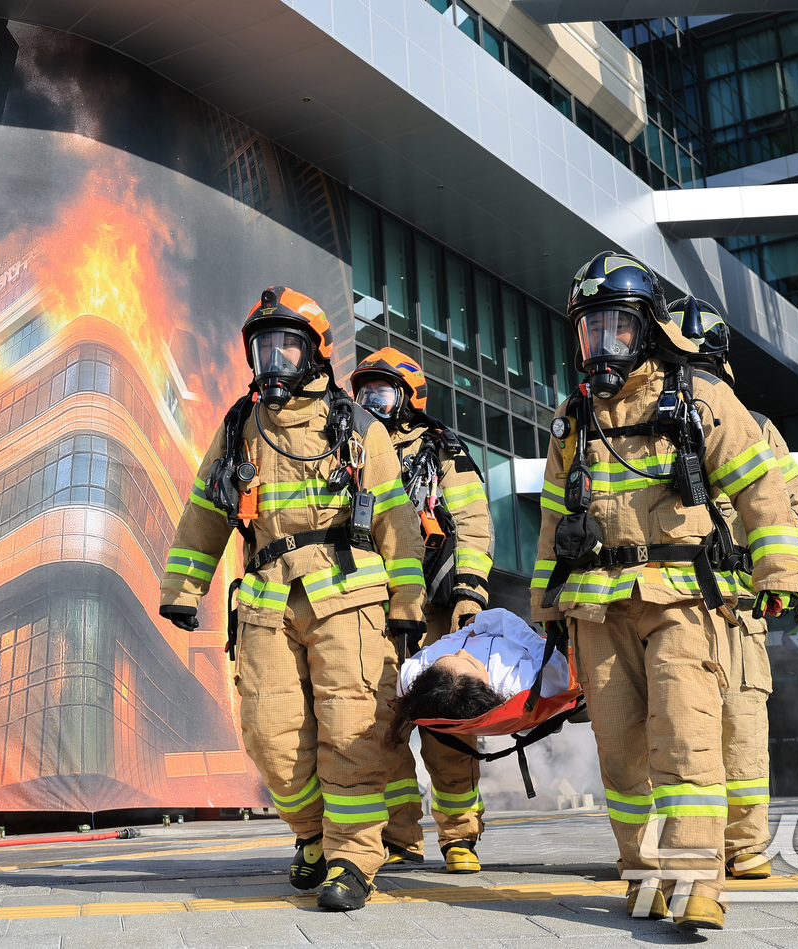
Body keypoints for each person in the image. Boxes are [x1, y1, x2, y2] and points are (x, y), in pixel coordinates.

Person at [530, 252, 798, 932]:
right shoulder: (574, 418)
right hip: (599, 606)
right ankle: (642, 875)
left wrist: (783, 574)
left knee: (685, 738)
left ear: (648, 328)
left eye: (616, 329)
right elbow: (551, 521)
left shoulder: (702, 397)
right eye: (590, 330)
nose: (601, 344)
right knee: (621, 751)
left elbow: (763, 490)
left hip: (684, 597)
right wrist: (548, 612)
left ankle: (693, 879)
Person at [159, 288, 427, 911]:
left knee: (352, 731)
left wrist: (408, 605)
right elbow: (205, 511)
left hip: (349, 599)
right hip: (264, 601)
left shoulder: (355, 426)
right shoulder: (238, 428)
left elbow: (398, 524)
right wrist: (182, 586)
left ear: (315, 354)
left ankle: (355, 859)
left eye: (287, 347)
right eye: (264, 349)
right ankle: (311, 835)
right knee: (269, 734)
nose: (274, 361)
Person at [665, 295, 798, 881]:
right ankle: (685, 849)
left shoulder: (757, 428)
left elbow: (794, 502)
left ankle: (745, 846)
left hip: (739, 605)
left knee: (742, 729)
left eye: (705, 365)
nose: (697, 378)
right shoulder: (646, 420)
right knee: (678, 732)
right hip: (672, 601)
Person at [349, 347, 494, 873]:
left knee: (447, 728)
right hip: (370, 611)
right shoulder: (350, 446)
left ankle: (459, 837)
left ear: (410, 398)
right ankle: (399, 837)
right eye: (364, 394)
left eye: (382, 394)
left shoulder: (443, 452)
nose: (372, 404)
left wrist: (468, 597)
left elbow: (474, 525)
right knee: (381, 730)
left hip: (435, 613)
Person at [387, 608, 572, 739]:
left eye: (447, 657)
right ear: (483, 688)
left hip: (474, 626)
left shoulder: (414, 676)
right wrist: (497, 619)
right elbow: (554, 664)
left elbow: (450, 641)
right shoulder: (514, 685)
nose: (462, 652)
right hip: (509, 635)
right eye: (470, 662)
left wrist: (470, 628)